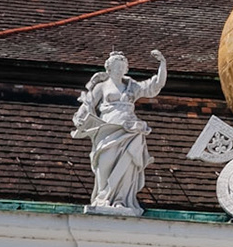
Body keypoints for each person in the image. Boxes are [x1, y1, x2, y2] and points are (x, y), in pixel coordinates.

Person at [72, 50, 167, 215]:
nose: (119, 69)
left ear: (126, 69)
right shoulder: (101, 87)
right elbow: (88, 104)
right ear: (109, 68)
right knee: (105, 162)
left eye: (122, 67)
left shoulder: (132, 86)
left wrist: (162, 65)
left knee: (127, 164)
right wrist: (80, 119)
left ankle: (120, 200)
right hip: (107, 128)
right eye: (116, 66)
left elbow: (154, 86)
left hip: (129, 130)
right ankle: (103, 197)